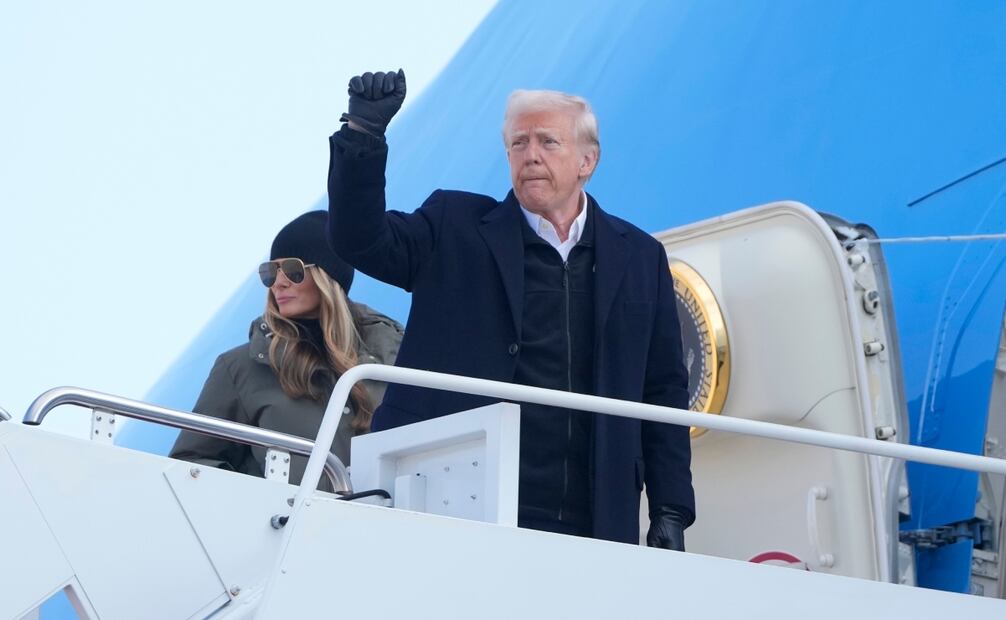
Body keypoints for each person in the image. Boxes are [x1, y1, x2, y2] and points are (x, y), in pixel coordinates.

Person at [328, 70, 692, 549]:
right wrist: (364, 135)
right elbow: (361, 240)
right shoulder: (453, 226)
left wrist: (670, 509)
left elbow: (661, 388)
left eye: (547, 142)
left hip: (594, 514)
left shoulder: (641, 256)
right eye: (519, 143)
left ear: (588, 160)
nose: (531, 155)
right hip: (461, 500)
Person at [170, 211, 403, 489]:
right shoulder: (240, 368)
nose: (279, 282)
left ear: (327, 277)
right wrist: (265, 498)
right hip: (293, 528)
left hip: (396, 526)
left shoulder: (394, 357)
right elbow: (190, 465)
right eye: (270, 272)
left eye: (293, 270)